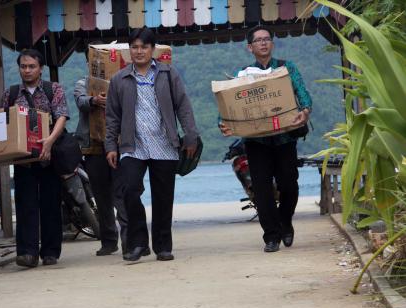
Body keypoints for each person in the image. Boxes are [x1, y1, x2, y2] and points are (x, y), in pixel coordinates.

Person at [105, 28, 199, 262]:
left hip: (164, 144)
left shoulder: (168, 74)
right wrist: (110, 146)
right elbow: (112, 116)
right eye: (134, 47)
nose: (139, 51)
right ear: (129, 50)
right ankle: (137, 244)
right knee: (129, 190)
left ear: (152, 49)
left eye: (144, 47)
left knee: (163, 197)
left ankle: (163, 246)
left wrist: (191, 135)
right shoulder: (120, 79)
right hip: (132, 145)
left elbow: (183, 106)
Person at [220, 25, 312, 253]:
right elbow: (229, 105)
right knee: (261, 189)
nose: (263, 43)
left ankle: (285, 221)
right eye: (258, 40)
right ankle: (271, 236)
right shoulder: (243, 75)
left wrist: (306, 110)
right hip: (257, 142)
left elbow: (303, 93)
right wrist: (224, 123)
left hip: (284, 138)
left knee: (289, 185)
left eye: (267, 39)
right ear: (249, 47)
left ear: (272, 43)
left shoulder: (286, 68)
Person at [0, 49, 70, 267]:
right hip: (24, 161)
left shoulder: (52, 90)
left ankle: (50, 252)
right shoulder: (10, 94)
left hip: (49, 156)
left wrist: (49, 141)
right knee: (25, 204)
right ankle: (27, 253)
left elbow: (62, 116)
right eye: (23, 66)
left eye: (31, 66)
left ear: (40, 69)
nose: (27, 70)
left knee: (50, 203)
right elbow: (5, 124)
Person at [74, 71, 129, 256]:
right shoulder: (83, 83)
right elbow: (81, 102)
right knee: (102, 197)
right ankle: (109, 241)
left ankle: (129, 239)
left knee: (121, 194)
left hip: (119, 148)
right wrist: (94, 100)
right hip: (93, 149)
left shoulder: (122, 82)